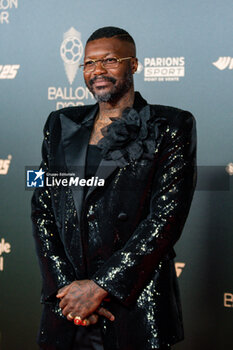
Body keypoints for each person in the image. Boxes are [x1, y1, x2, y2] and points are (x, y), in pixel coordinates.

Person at [31, 26, 197, 350]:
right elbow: (42, 206)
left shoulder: (171, 126)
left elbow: (166, 220)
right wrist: (67, 290)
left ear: (133, 65)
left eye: (109, 60)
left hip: (132, 308)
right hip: (69, 311)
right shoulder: (59, 124)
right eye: (89, 63)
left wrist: (99, 288)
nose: (98, 71)